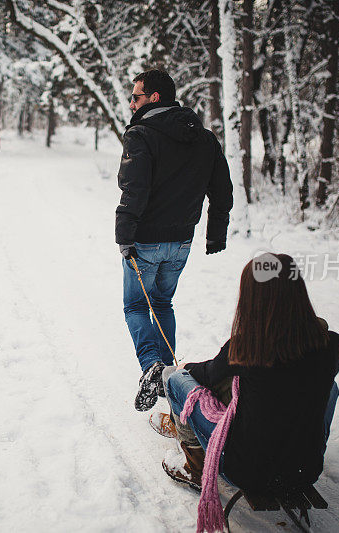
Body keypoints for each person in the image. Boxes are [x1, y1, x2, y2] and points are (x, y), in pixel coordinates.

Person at [157, 253, 339, 528]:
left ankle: (195, 466)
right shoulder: (331, 344)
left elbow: (207, 375)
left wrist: (186, 366)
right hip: (306, 469)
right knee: (330, 387)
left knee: (175, 379)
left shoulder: (247, 347)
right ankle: (299, 446)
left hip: (247, 471)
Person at [115, 69, 233, 411]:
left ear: (153, 98)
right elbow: (222, 191)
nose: (131, 102)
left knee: (136, 306)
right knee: (162, 304)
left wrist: (125, 235)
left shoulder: (141, 135)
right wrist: (215, 234)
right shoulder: (204, 138)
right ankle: (169, 379)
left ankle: (152, 366)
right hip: (181, 241)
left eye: (135, 96)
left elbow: (133, 190)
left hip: (145, 240)